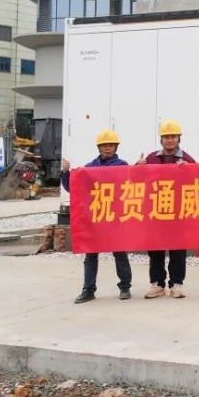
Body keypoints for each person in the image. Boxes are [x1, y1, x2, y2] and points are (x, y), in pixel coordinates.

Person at [62, 129, 133, 304]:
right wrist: (65, 173)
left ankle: (125, 287)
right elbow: (73, 188)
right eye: (104, 145)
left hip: (114, 217)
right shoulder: (90, 167)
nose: (107, 148)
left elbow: (132, 184)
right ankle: (88, 289)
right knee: (91, 254)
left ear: (115, 147)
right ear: (99, 147)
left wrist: (140, 168)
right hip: (95, 217)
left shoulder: (122, 166)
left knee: (119, 252)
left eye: (110, 145)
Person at [136, 119, 195, 299]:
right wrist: (138, 168)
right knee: (155, 249)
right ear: (161, 139)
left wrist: (189, 171)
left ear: (179, 138)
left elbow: (197, 182)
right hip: (155, 210)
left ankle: (176, 284)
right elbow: (134, 181)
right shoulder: (151, 158)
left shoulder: (187, 159)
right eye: (166, 137)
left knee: (178, 249)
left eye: (173, 137)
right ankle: (158, 284)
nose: (170, 140)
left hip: (178, 211)